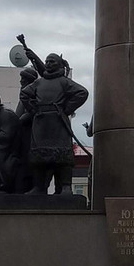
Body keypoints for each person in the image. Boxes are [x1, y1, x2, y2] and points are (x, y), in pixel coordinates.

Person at [20, 53, 89, 195]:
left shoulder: (64, 82)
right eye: (46, 61)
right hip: (41, 123)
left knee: (62, 155)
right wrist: (33, 109)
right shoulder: (39, 83)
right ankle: (39, 187)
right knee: (39, 154)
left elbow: (82, 92)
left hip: (58, 123)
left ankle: (66, 187)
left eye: (52, 61)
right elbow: (25, 94)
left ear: (59, 64)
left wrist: (66, 109)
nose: (48, 64)